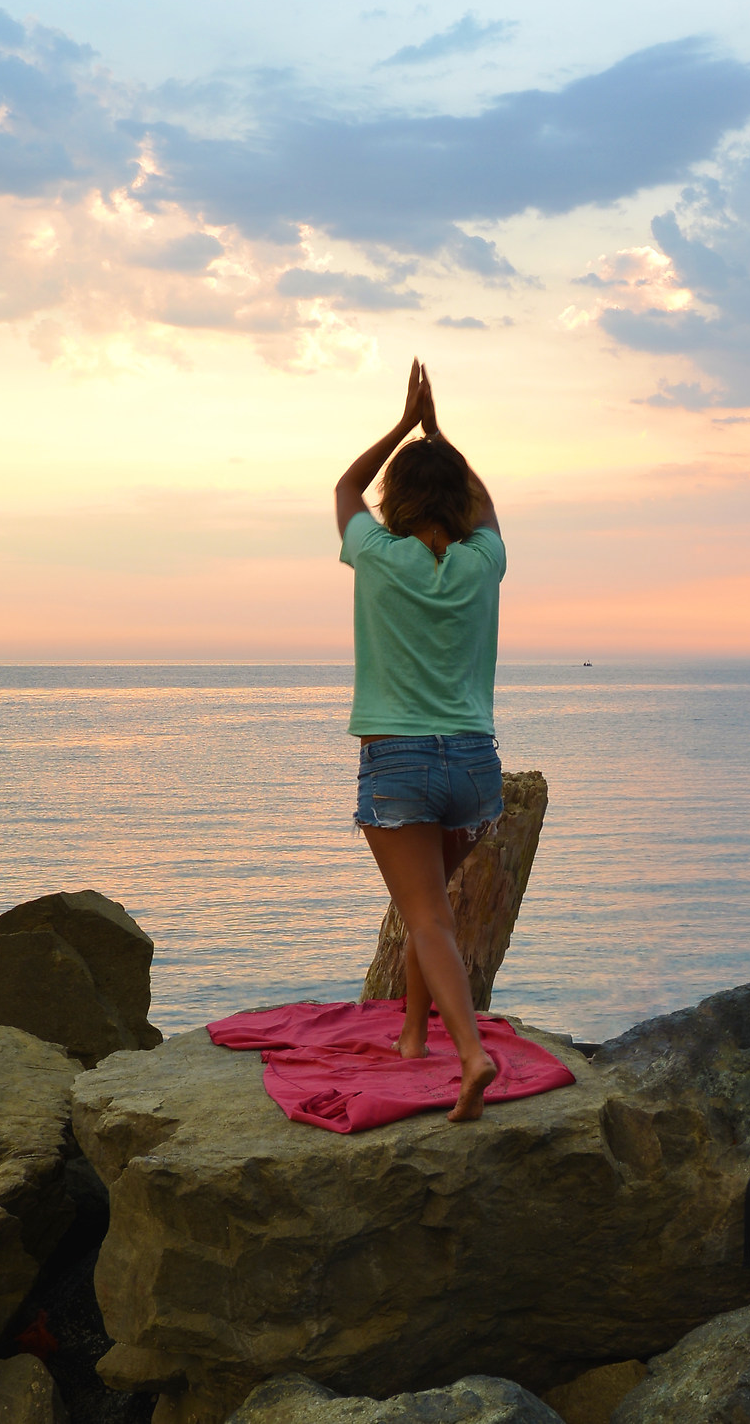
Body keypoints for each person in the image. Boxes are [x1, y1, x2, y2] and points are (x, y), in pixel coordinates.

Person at [333, 359, 506, 1121]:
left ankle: (471, 1055)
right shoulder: (482, 563)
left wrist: (403, 426)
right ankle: (412, 1035)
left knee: (427, 914)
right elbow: (486, 504)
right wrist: (442, 437)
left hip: (400, 760)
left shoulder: (376, 554)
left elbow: (343, 490)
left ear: (396, 500)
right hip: (473, 764)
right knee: (426, 905)